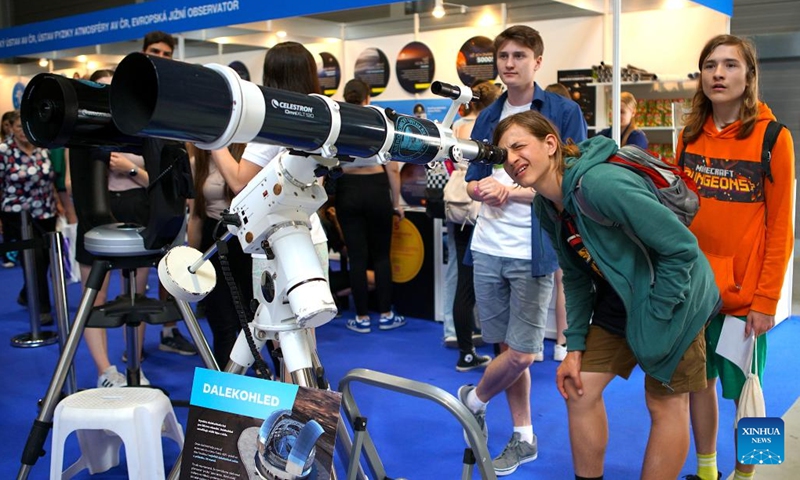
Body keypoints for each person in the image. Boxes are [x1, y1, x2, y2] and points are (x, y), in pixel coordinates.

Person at [497, 109, 720, 480]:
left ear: (550, 144)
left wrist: (659, 316)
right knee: (578, 389)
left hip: (676, 296)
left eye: (519, 146)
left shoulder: (600, 184)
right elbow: (575, 274)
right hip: (619, 296)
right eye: (503, 155)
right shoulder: (545, 206)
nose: (513, 159)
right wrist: (575, 347)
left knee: (665, 403)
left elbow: (682, 248)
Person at [459, 24, 587, 476]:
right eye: (503, 56)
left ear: (537, 60)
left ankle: (472, 399)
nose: (509, 63)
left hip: (535, 247)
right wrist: (479, 190)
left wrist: (509, 192)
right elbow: (471, 177)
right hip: (489, 247)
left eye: (519, 55)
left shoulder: (562, 112)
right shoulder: (486, 116)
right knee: (505, 348)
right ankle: (524, 436)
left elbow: (573, 182)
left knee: (524, 352)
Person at [680, 34, 795, 480]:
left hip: (744, 299)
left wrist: (766, 301)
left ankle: (748, 476)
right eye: (710, 65)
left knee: (748, 393)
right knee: (698, 385)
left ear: (749, 76)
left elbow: (781, 228)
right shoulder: (690, 136)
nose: (718, 74)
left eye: (729, 65)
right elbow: (681, 214)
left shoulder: (773, 137)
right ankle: (707, 473)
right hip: (695, 294)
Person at [210, 41, 331, 378]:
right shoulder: (320, 119)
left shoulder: (272, 124)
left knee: (281, 336)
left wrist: (214, 140)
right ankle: (306, 419)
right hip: (311, 238)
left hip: (275, 242)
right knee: (304, 340)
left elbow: (239, 182)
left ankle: (293, 422)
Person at [140, 31, 198, 357]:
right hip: (137, 198)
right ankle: (132, 347)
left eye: (166, 52)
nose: (160, 56)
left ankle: (168, 330)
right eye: (154, 51)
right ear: (144, 52)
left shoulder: (177, 98)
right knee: (134, 273)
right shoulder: (133, 94)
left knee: (172, 266)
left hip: (173, 197)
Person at [336, 78, 405, 334]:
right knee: (381, 255)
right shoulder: (382, 121)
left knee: (356, 257)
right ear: (368, 98)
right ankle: (386, 313)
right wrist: (396, 203)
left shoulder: (339, 122)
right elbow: (394, 168)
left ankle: (362, 317)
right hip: (376, 189)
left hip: (348, 189)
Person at [186, 143, 253, 368]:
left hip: (246, 241)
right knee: (221, 320)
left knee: (252, 316)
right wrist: (191, 261)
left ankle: (273, 380)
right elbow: (195, 216)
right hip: (212, 241)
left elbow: (241, 189)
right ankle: (226, 385)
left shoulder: (247, 158)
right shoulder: (198, 163)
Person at [449, 80, 500, 371]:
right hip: (479, 207)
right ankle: (493, 349)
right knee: (488, 282)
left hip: (458, 208)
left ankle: (466, 351)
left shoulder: (457, 126)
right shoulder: (489, 129)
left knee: (464, 283)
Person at [0, 111, 59, 324]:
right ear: (10, 128)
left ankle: (27, 293)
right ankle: (42, 306)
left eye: (25, 127)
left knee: (43, 261)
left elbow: (50, 179)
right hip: (17, 214)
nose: (23, 132)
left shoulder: (43, 148)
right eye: (18, 128)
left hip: (46, 211)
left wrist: (59, 205)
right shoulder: (4, 151)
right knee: (34, 258)